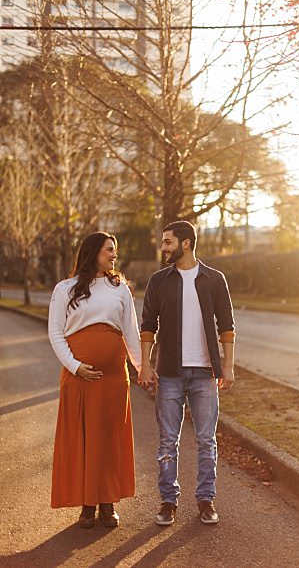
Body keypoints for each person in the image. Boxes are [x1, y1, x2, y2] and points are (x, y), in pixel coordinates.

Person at [139, 220, 235, 526]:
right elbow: (147, 326)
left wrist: (228, 366)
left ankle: (206, 500)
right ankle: (168, 501)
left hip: (205, 373)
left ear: (185, 244)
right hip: (169, 372)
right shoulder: (158, 281)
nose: (163, 247)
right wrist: (145, 364)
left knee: (207, 440)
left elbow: (227, 326)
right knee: (168, 441)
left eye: (168, 242)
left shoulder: (214, 279)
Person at [48, 232, 142, 528]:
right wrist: (75, 366)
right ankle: (87, 506)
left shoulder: (120, 290)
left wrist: (143, 369)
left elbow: (131, 333)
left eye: (115, 250)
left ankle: (108, 502)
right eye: (109, 250)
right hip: (79, 378)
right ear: (93, 253)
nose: (114, 255)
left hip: (114, 379)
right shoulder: (65, 289)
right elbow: (55, 334)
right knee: (84, 439)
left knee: (109, 439)